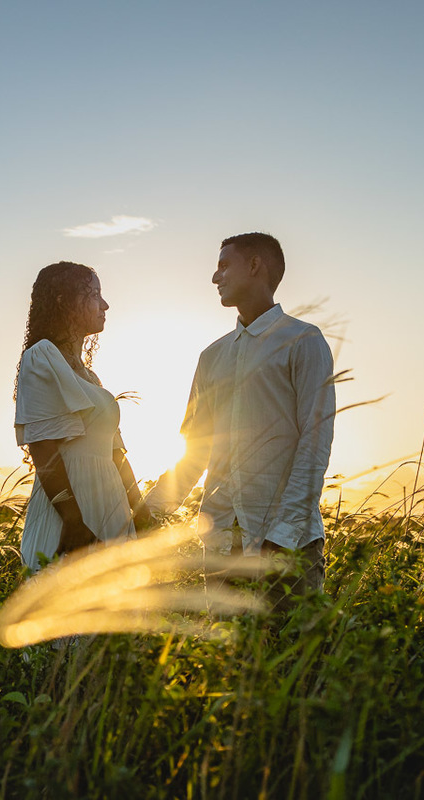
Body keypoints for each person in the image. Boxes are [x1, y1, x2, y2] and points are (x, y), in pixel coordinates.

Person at [145, 232, 335, 596]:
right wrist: (149, 512)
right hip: (221, 546)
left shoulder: (304, 341)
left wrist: (283, 536)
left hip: (288, 546)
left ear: (254, 265)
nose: (215, 277)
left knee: (291, 635)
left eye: (223, 265)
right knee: (223, 638)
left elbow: (315, 443)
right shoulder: (211, 357)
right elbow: (195, 450)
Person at [13, 262, 150, 570]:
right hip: (70, 517)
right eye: (94, 294)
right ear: (64, 300)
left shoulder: (90, 378)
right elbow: (43, 447)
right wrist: (74, 520)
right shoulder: (41, 357)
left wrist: (141, 511)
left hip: (110, 510)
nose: (105, 305)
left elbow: (115, 454)